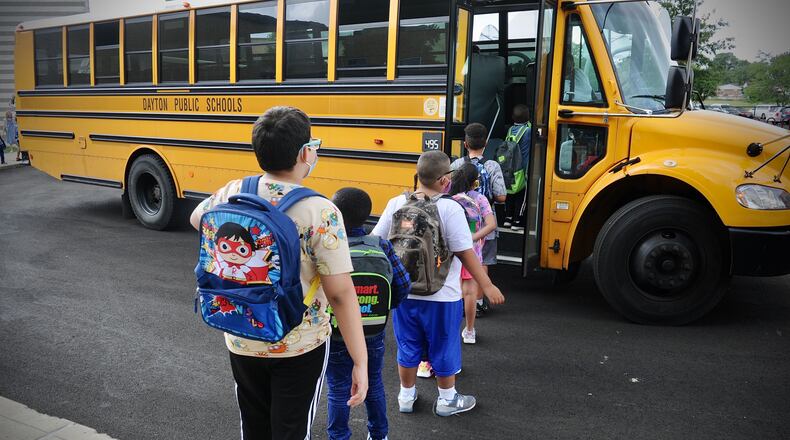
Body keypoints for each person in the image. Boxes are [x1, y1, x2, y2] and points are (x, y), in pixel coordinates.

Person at [189, 106, 368, 440]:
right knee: (290, 432)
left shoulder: (233, 190)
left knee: (254, 428)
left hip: (241, 330)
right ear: (305, 153)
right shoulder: (320, 210)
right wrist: (361, 360)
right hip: (299, 343)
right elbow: (341, 294)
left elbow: (198, 220)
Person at [372, 150, 505, 417]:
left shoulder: (396, 202)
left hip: (404, 292)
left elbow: (378, 241)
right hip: (442, 295)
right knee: (443, 344)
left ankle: (406, 396)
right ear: (446, 180)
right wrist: (487, 285)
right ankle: (447, 400)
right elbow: (466, 253)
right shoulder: (450, 207)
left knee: (407, 344)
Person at [327, 187, 411, 440]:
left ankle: (339, 436)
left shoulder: (329, 247)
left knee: (338, 388)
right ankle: (379, 434)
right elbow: (403, 284)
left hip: (336, 331)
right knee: (373, 382)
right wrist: (385, 307)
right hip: (372, 331)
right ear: (367, 216)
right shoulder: (380, 245)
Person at [450, 123, 506, 317]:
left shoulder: (457, 165)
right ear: (486, 143)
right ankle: (479, 302)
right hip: (485, 223)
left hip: (459, 222)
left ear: (465, 143)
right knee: (483, 261)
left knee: (459, 261)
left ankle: (460, 300)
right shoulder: (492, 165)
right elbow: (501, 196)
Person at [449, 163, 497, 344]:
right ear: (475, 181)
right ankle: (469, 331)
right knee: (470, 292)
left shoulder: (451, 198)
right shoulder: (480, 199)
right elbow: (491, 224)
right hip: (473, 251)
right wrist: (474, 238)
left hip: (452, 251)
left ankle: (450, 332)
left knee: (452, 292)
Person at [503, 104, 532, 231]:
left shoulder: (510, 130)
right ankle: (517, 221)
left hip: (509, 168)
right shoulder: (528, 131)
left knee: (510, 193)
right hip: (522, 169)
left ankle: (507, 218)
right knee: (521, 194)